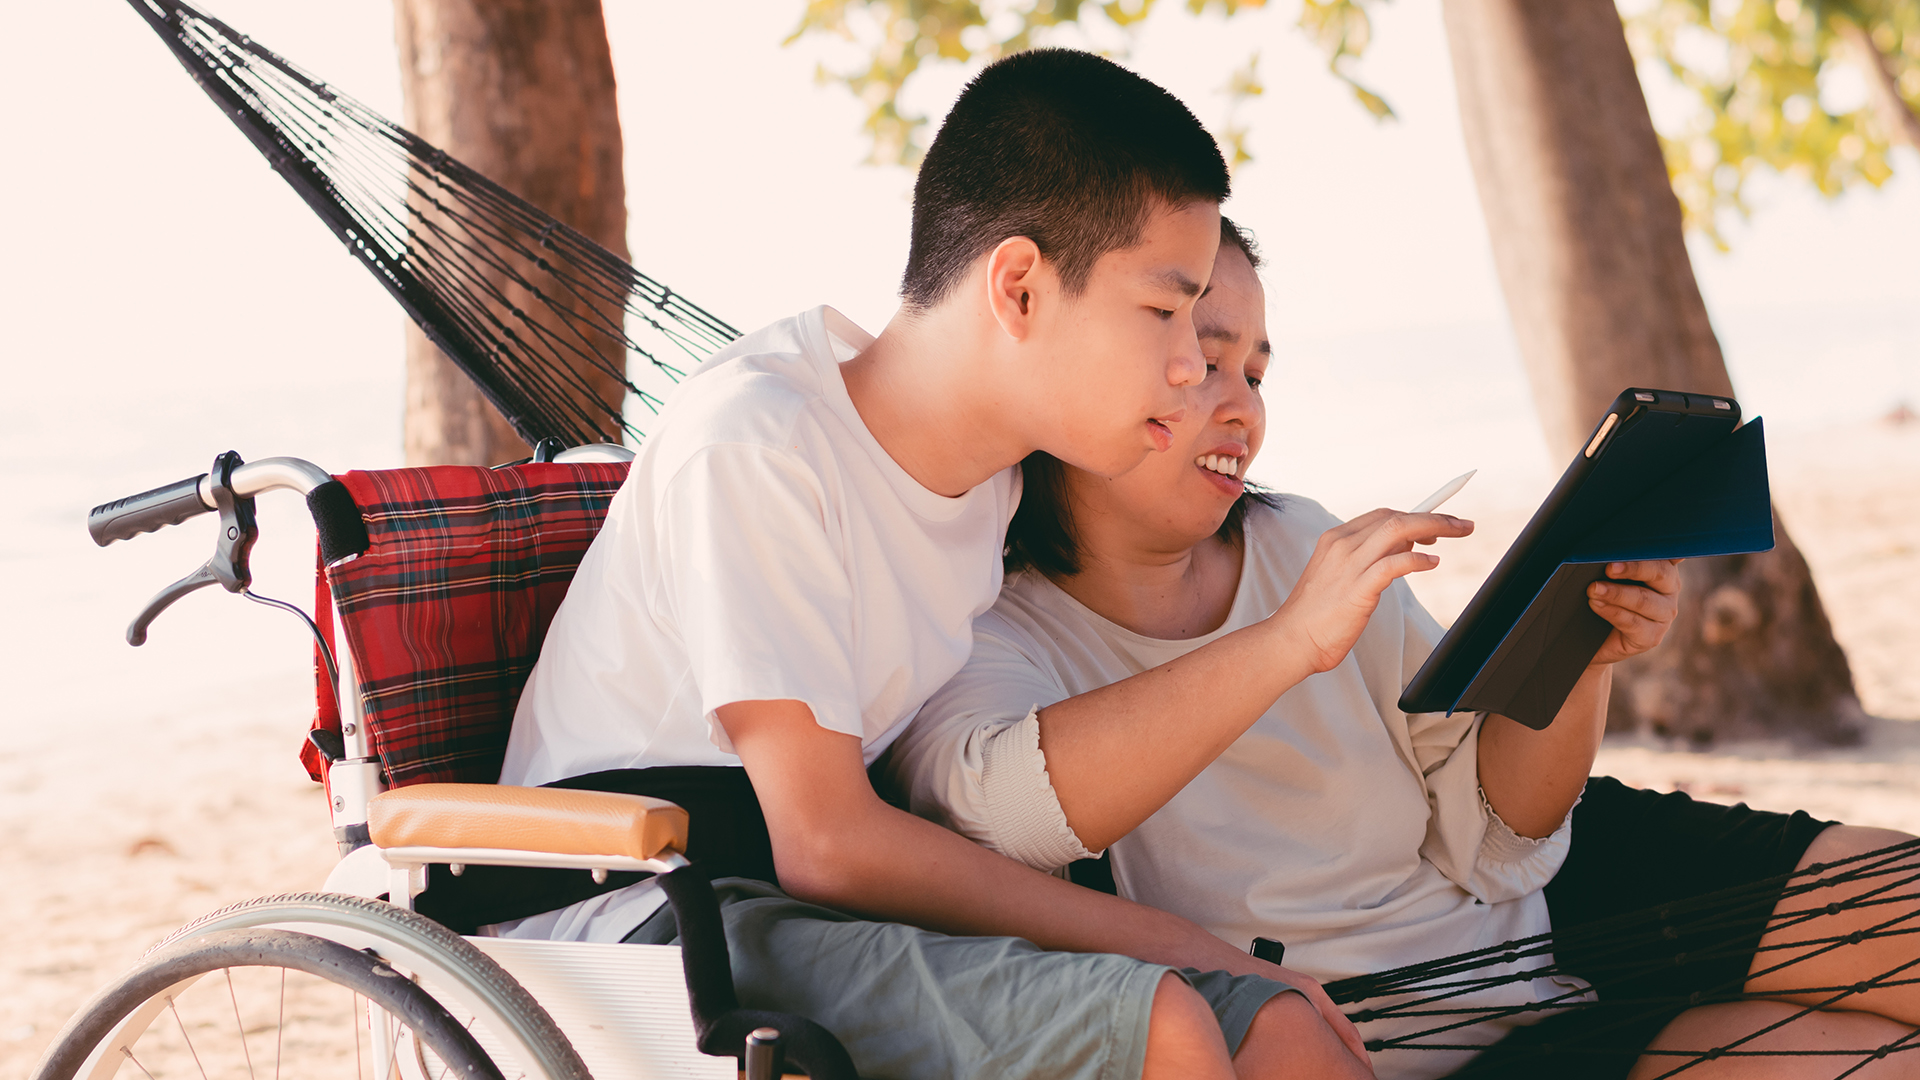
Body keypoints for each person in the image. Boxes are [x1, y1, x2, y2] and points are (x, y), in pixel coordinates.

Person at [494, 50, 1379, 1080]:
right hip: (649, 925)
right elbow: (826, 843)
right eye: (1163, 311)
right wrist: (1190, 947)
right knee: (1172, 1022)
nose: (1191, 365)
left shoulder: (994, 485)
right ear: (1019, 287)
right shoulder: (761, 445)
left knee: (1280, 1029)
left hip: (814, 911)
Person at [890, 220, 1920, 1080]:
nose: (1241, 402)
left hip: (1553, 894)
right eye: (1204, 359)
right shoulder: (994, 624)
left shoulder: (1296, 534)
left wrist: (1580, 656)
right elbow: (994, 811)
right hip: (1426, 1039)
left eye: (1255, 368)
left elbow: (1495, 832)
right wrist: (1288, 642)